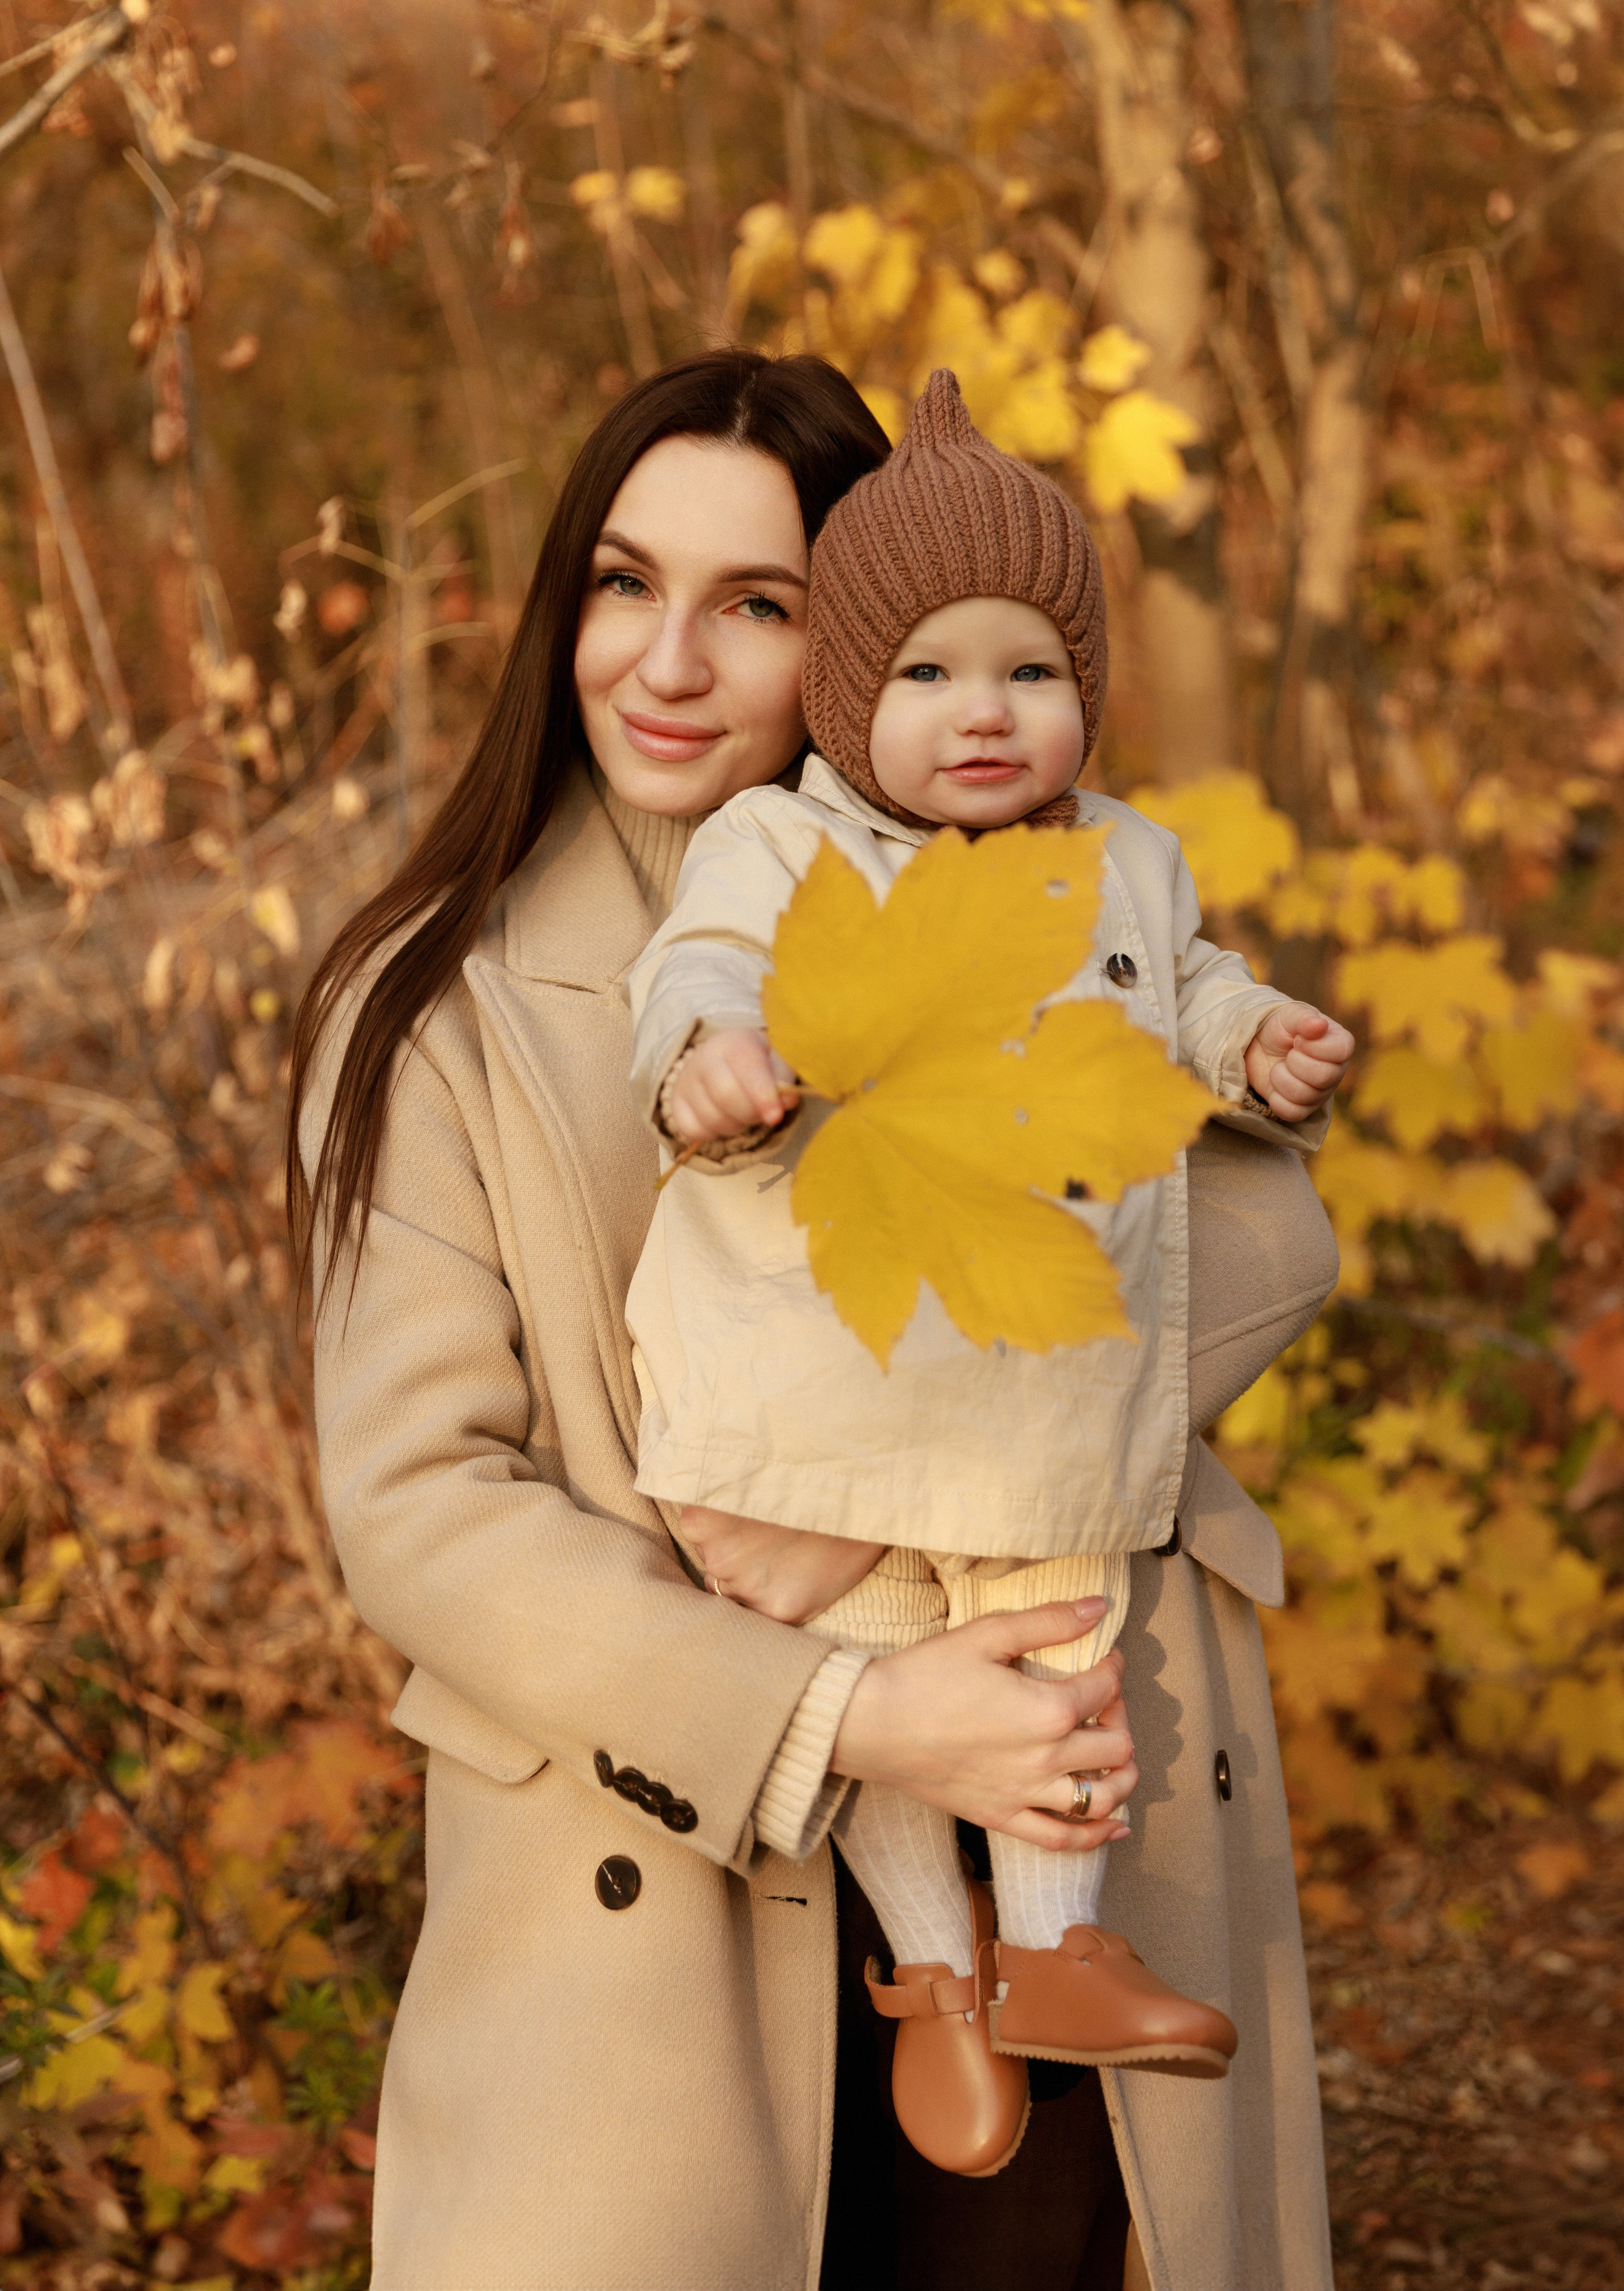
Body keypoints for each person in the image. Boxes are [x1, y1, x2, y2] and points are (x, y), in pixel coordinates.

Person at [287, 347, 1337, 2290]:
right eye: (622, 583)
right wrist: (846, 1712)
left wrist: (871, 1483)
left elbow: (1272, 1242)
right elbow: (425, 1506)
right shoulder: (437, 1007)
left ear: (862, 631)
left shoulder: (1039, 886)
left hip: (1052, 1789)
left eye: (754, 605)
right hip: (665, 1867)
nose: (667, 664)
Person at [624, 371, 1352, 2179]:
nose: (984, 714)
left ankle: (1048, 1949)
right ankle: (934, 1973)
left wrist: (1258, 1037)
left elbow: (1187, 989)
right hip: (828, 1410)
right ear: (851, 696)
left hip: (1038, 1405)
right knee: (878, 1675)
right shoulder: (787, 844)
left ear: (1086, 694)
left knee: (1055, 1659)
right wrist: (709, 1062)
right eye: (929, 675)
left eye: (1031, 673)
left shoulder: (1125, 860)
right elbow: (699, 969)